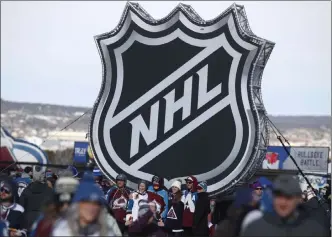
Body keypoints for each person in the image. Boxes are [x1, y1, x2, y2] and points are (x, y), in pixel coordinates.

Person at [241, 175, 329, 237]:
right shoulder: (255, 228)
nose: (283, 202)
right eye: (279, 196)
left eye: (288, 197)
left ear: (299, 199)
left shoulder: (315, 230)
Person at [19, 165, 54, 230]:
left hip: (27, 222)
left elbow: (21, 207)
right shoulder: (49, 191)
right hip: (42, 222)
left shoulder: (26, 190)